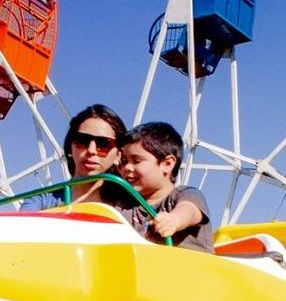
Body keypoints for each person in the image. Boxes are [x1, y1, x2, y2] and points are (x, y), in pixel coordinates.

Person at [107, 121, 212, 251]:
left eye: (136, 161)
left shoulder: (184, 195)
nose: (127, 167)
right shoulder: (125, 206)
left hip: (187, 263)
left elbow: (190, 210)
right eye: (123, 161)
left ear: (167, 164)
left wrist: (174, 220)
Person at [54, 104, 126, 204]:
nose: (91, 150)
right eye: (82, 140)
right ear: (70, 147)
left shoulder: (133, 208)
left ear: (118, 155)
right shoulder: (42, 203)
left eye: (103, 144)